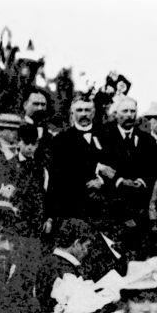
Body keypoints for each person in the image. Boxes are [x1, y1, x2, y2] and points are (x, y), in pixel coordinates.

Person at [100, 97, 156, 257]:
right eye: (125, 111)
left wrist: (142, 181)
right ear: (116, 114)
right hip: (113, 207)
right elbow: (101, 166)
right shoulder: (104, 137)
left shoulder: (146, 140)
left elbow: (155, 167)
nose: (129, 115)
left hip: (140, 206)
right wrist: (119, 181)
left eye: (133, 111)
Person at [48, 93, 116, 223]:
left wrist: (102, 181)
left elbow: (115, 167)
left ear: (94, 112)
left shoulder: (108, 136)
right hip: (74, 207)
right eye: (79, 110)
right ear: (72, 113)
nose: (84, 114)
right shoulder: (61, 140)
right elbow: (60, 174)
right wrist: (96, 169)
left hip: (104, 210)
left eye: (88, 110)